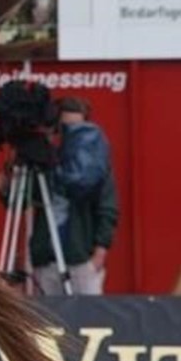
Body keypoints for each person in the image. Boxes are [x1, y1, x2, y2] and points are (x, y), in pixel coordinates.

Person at [30, 96, 119, 295]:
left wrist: (99, 253)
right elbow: (20, 199)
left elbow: (108, 207)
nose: (72, 134)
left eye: (77, 128)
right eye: (65, 127)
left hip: (81, 258)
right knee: (46, 313)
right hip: (47, 258)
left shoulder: (95, 165)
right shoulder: (44, 160)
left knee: (88, 312)